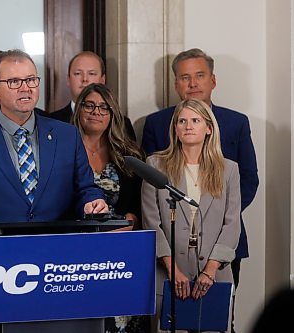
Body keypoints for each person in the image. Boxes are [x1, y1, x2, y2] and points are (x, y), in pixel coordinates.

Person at [141, 48, 259, 332]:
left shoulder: (235, 126)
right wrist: (172, 264)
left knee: (217, 322)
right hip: (170, 259)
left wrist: (211, 224)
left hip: (218, 253)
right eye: (185, 77)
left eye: (199, 75)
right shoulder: (156, 133)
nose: (192, 83)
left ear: (213, 80)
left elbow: (247, 183)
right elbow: (151, 212)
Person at [0, 49, 108, 234]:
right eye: (14, 82)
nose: (25, 88)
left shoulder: (67, 135)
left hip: (57, 251)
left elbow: (86, 189)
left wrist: (93, 202)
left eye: (31, 80)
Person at [141, 99, 241, 333]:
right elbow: (151, 222)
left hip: (215, 274)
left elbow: (232, 223)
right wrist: (173, 270)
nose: (188, 126)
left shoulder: (229, 169)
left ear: (208, 128)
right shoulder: (155, 165)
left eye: (195, 120)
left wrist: (211, 270)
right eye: (182, 121)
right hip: (168, 275)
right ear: (175, 128)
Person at [71, 83, 148, 332]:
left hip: (121, 250)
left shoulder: (129, 153)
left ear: (113, 114)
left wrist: (130, 221)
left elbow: (141, 203)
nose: (96, 112)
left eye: (104, 107)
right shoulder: (60, 149)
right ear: (79, 109)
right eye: (90, 105)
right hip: (76, 251)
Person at [50, 51, 136, 140]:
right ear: (68, 79)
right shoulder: (50, 121)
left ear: (103, 80)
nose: (85, 79)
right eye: (78, 73)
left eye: (91, 74)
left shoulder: (122, 124)